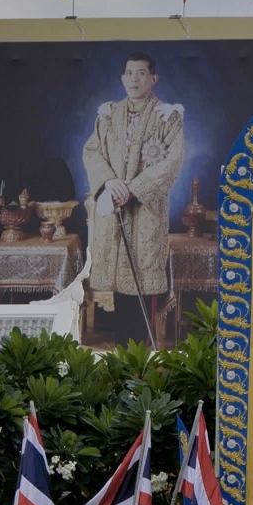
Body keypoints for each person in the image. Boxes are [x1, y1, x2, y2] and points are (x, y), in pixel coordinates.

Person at [82, 51, 184, 345]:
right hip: (114, 209)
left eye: (141, 73)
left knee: (142, 288)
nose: (134, 79)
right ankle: (121, 358)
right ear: (122, 78)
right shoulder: (108, 114)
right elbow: (91, 151)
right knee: (119, 291)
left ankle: (140, 359)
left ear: (153, 78)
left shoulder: (168, 116)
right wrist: (110, 182)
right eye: (129, 73)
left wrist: (133, 189)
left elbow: (172, 161)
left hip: (145, 213)